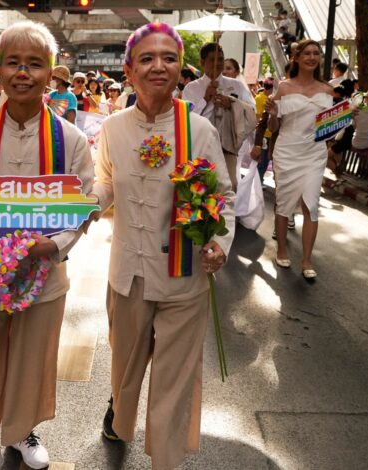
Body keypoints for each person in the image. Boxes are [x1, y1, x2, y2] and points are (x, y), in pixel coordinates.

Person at [0, 20, 94, 470]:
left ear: (51, 73)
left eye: (35, 64)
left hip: (45, 278)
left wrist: (57, 244)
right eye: (13, 63)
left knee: (30, 365)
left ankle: (21, 432)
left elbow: (84, 203)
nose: (23, 72)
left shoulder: (71, 138)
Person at [90, 22, 234, 470]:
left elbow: (222, 195)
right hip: (127, 277)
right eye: (147, 59)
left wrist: (219, 242)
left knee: (174, 384)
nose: (159, 67)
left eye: (168, 58)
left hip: (185, 277)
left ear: (180, 70)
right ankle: (119, 410)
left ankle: (166, 461)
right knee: (125, 373)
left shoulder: (200, 130)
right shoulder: (112, 128)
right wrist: (77, 207)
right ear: (129, 71)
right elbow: (104, 183)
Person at [265, 39, 335, 280]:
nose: (312, 57)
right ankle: (282, 249)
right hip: (287, 151)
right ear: (297, 58)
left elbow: (330, 129)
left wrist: (346, 117)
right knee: (283, 204)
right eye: (307, 53)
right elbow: (274, 126)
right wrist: (272, 114)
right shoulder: (283, 88)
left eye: (316, 53)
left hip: (315, 153)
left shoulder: (327, 90)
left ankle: (306, 259)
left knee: (311, 205)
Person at [182, 42, 256, 190]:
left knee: (229, 186)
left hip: (227, 144)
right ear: (202, 62)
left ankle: (227, 213)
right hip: (200, 144)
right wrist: (205, 100)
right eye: (212, 60)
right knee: (201, 188)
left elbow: (251, 113)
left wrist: (232, 104)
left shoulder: (237, 85)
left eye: (221, 59)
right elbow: (186, 120)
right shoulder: (192, 88)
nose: (218, 63)